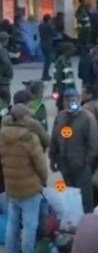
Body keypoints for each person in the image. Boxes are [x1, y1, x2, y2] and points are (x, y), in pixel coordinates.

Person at [0, 104, 48, 253]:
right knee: (29, 226)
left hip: (11, 187)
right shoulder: (29, 137)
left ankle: (11, 250)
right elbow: (40, 166)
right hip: (30, 189)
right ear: (23, 117)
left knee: (12, 223)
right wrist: (44, 181)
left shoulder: (2, 133)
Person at [49, 88, 98, 212]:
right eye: (66, 100)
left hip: (81, 166)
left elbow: (93, 143)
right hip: (64, 165)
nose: (69, 102)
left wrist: (86, 162)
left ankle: (87, 221)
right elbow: (54, 138)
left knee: (85, 197)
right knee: (70, 196)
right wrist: (53, 158)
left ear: (78, 100)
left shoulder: (87, 118)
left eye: (72, 99)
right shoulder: (60, 116)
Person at [39, 14, 58, 81]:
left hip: (42, 43)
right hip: (48, 44)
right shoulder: (49, 26)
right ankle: (45, 75)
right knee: (48, 61)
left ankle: (46, 74)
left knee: (46, 60)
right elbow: (55, 34)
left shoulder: (41, 25)